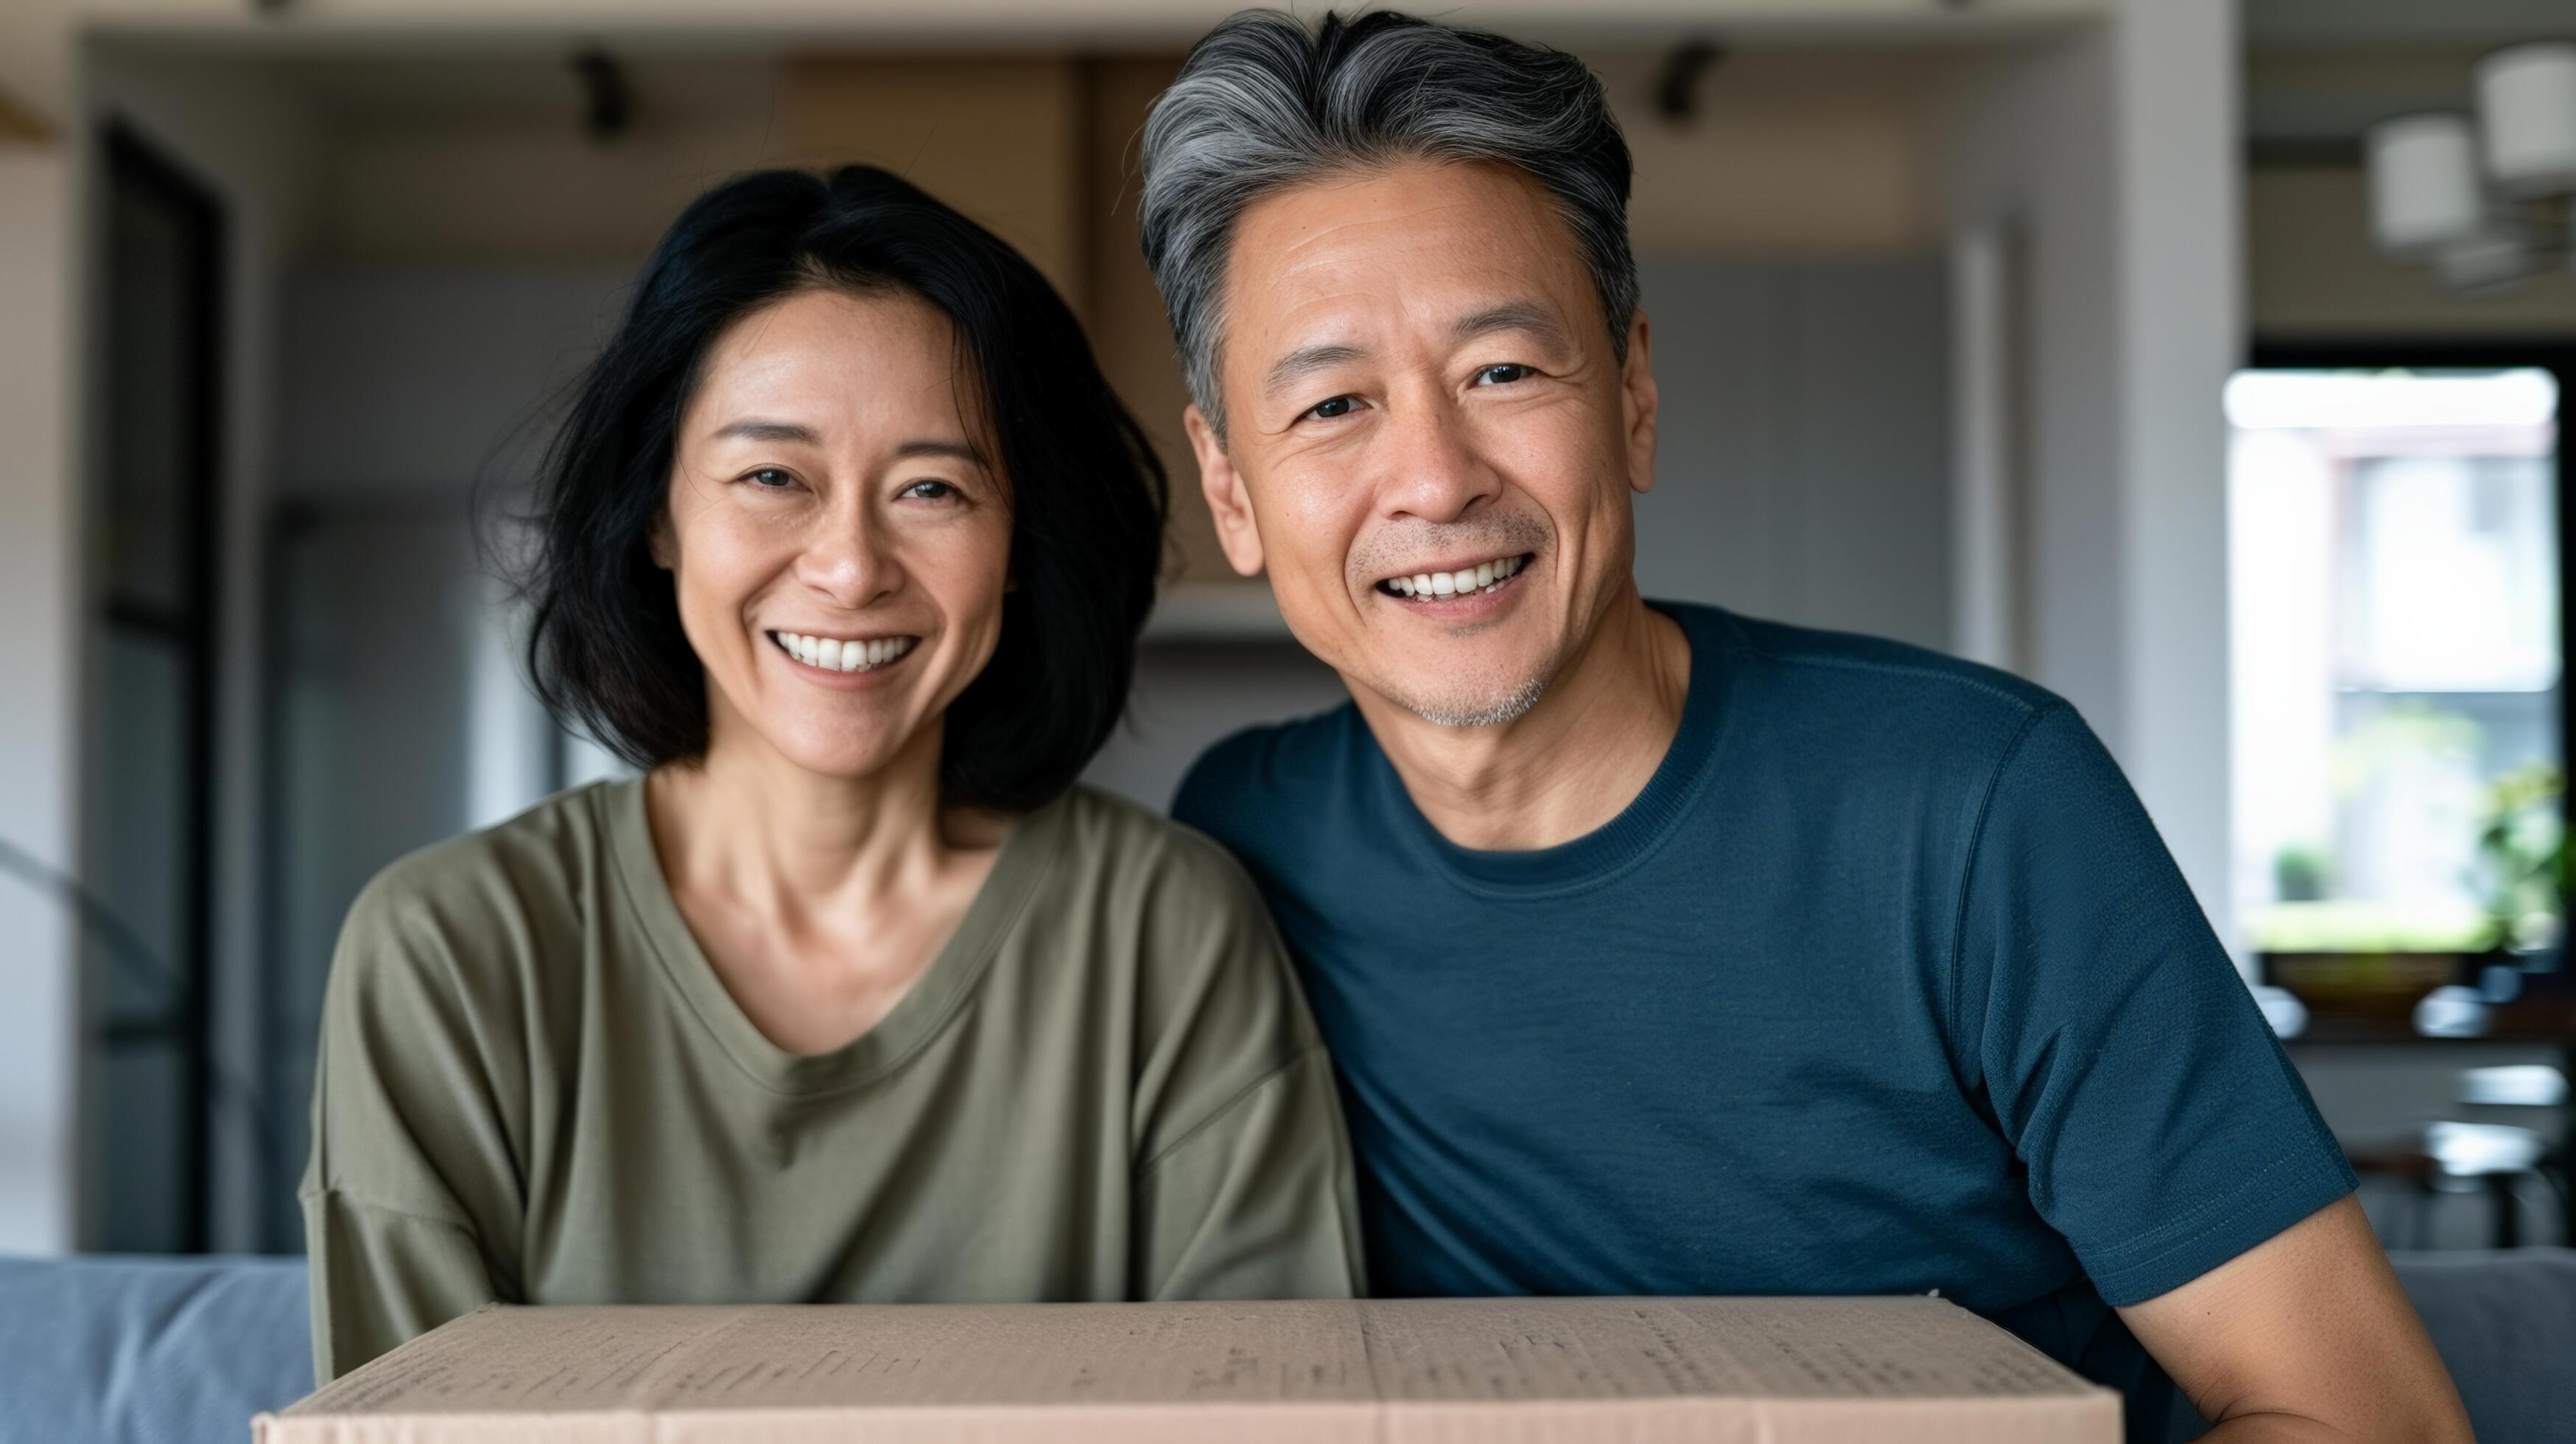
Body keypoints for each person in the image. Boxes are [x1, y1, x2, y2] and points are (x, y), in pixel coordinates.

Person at [1140, 12, 2470, 1442]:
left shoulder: (1978, 807)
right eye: (1335, 403)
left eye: (1504, 372)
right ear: (1231, 491)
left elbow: (2367, 1417)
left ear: (1636, 394)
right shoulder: (1242, 842)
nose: (1435, 477)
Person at [298, 164, 1362, 1382]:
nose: (851, 567)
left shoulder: (1163, 934)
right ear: (658, 514)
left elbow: (1262, 1409)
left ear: (1018, 544)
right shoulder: (453, 952)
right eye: (772, 477)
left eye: (932, 488)